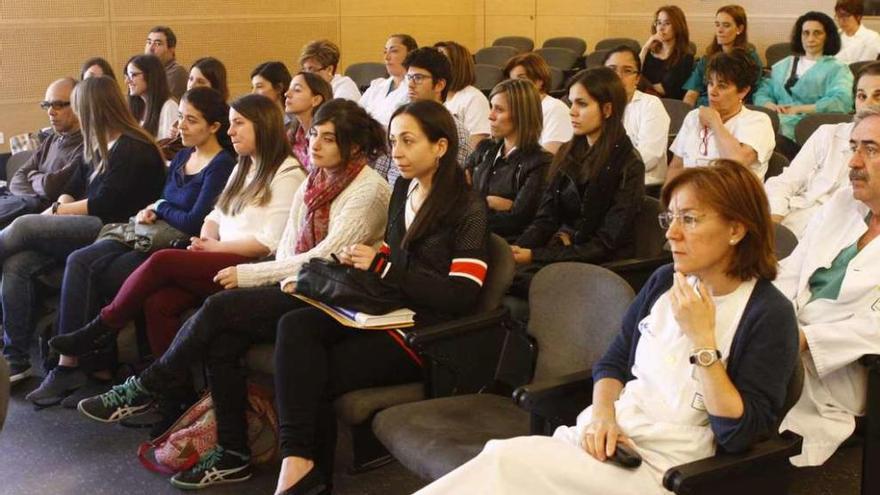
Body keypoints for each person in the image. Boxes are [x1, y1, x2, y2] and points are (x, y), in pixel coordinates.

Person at [416, 160, 799, 495]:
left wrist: (703, 342)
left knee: (506, 469)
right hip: (611, 439)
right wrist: (602, 415)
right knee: (501, 460)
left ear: (736, 230)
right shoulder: (666, 279)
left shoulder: (767, 313)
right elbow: (613, 362)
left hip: (669, 472)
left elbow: (740, 435)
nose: (671, 233)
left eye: (690, 219)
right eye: (670, 218)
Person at [76, 99, 393, 490]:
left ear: (355, 147)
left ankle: (152, 383)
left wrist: (248, 274)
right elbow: (291, 249)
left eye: (329, 138)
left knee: (217, 307)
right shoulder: (316, 180)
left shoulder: (369, 190)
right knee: (222, 338)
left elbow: (320, 259)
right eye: (314, 134)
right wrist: (256, 273)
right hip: (299, 283)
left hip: (336, 296)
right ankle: (232, 452)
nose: (315, 144)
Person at [271, 99, 490, 495]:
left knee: (313, 371)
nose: (397, 152)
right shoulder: (403, 187)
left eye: (408, 141)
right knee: (296, 324)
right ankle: (300, 464)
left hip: (426, 333)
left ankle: (304, 474)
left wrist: (386, 267)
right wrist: (371, 262)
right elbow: (397, 254)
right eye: (393, 141)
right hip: (388, 309)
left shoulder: (467, 207)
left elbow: (462, 294)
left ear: (440, 147)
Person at [54, 94, 303, 411]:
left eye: (239, 124)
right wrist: (207, 237)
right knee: (159, 302)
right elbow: (216, 214)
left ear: (264, 127)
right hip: (219, 253)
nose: (231, 131)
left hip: (252, 266)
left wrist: (215, 247)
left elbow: (269, 242)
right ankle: (176, 399)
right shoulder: (246, 165)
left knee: (162, 261)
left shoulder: (287, 173)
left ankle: (103, 327)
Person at [27, 87, 236, 404]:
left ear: (214, 127)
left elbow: (194, 220)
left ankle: (102, 363)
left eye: (191, 120)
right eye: (180, 118)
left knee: (110, 274)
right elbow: (165, 202)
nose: (180, 126)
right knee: (81, 260)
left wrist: (161, 207)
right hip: (146, 232)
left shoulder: (221, 164)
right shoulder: (182, 156)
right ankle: (69, 366)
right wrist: (154, 208)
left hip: (175, 244)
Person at [2, 76, 166, 384]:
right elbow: (71, 186)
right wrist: (61, 206)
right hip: (86, 222)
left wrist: (58, 211)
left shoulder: (134, 148)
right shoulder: (99, 143)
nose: (75, 116)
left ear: (94, 109)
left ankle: (63, 364)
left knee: (24, 225)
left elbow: (105, 204)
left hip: (115, 229)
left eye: (77, 108)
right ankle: (15, 359)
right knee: (17, 264)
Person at [777, 107, 880, 467]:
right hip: (782, 339)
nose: (852, 161)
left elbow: (873, 328)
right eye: (853, 146)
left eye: (871, 149)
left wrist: (803, 338)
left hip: (837, 374)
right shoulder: (842, 203)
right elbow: (791, 270)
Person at [509, 68, 645, 295]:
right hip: (563, 252)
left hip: (600, 266)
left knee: (521, 284)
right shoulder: (568, 151)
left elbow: (604, 244)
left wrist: (534, 255)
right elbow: (546, 217)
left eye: (581, 104)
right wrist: (518, 249)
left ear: (607, 109)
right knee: (500, 272)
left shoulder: (628, 164)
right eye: (571, 103)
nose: (571, 112)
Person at [765, 62, 880, 239]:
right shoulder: (828, 134)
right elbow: (785, 182)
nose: (867, 104)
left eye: (878, 96)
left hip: (842, 238)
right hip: (794, 222)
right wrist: (774, 224)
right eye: (861, 96)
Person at [668, 49, 775, 182]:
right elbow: (676, 167)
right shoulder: (693, 116)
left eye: (722, 86)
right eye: (710, 84)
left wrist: (715, 122)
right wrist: (669, 201)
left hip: (733, 200)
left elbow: (736, 164)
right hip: (691, 197)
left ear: (743, 91)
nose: (712, 91)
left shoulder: (758, 121)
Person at [466, 78, 552, 241]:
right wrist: (488, 202)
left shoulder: (541, 162)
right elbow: (457, 192)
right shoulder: (484, 148)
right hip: (470, 235)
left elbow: (517, 220)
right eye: (491, 107)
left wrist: (471, 208)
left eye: (499, 109)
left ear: (521, 114)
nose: (490, 116)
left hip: (504, 245)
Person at [374, 46, 471, 184]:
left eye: (418, 78)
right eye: (409, 78)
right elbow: (380, 172)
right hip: (391, 198)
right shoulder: (399, 120)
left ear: (439, 85)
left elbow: (448, 183)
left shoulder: (455, 130)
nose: (411, 85)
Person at [754, 12, 853, 143]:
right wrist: (769, 105)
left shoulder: (838, 69)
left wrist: (798, 109)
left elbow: (841, 101)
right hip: (774, 121)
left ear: (827, 37)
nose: (810, 39)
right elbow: (763, 90)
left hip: (810, 127)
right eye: (806, 33)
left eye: (817, 33)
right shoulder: (784, 64)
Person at [0, 79, 83, 229]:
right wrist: (35, 195)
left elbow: (51, 187)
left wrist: (31, 176)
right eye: (47, 105)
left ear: (78, 104)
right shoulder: (51, 139)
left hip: (38, 215)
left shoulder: (86, 145)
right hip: (21, 204)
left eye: (57, 105)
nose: (50, 112)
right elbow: (18, 177)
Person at [604, 46, 672, 186]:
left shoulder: (650, 105)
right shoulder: (597, 106)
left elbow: (648, 156)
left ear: (637, 79)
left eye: (627, 71)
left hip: (643, 186)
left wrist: (607, 170)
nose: (618, 77)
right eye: (612, 70)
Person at [682, 5, 763, 108]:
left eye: (726, 25)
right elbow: (691, 93)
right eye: (717, 24)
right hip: (702, 109)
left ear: (740, 29)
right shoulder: (707, 58)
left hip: (732, 110)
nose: (719, 30)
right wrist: (686, 115)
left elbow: (753, 95)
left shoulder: (749, 59)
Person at [160, 57, 230, 160]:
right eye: (190, 79)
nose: (192, 86)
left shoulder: (224, 117)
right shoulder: (185, 108)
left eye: (201, 81)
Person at [504, 52, 574, 154]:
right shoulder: (517, 110)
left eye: (521, 79)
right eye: (511, 81)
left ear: (539, 81)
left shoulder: (555, 109)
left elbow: (549, 156)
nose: (514, 86)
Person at [435, 41, 491, 150]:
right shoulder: (434, 97)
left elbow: (474, 148)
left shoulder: (474, 98)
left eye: (441, 59)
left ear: (457, 65)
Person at [359, 34, 416, 128]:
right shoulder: (377, 85)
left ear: (410, 54)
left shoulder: (414, 89)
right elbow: (356, 114)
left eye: (394, 51)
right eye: (385, 52)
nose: (387, 57)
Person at [640, 5, 695, 100]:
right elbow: (634, 72)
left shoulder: (685, 58)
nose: (661, 28)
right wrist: (645, 48)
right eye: (658, 23)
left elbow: (664, 89)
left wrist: (641, 82)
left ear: (677, 26)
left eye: (667, 23)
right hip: (644, 101)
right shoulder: (649, 52)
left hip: (668, 105)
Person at [285, 71, 333, 172]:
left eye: (297, 90)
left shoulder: (329, 137)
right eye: (289, 89)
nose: (287, 94)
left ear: (315, 100)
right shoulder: (291, 134)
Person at [125, 54, 178, 139]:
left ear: (151, 76)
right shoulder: (136, 107)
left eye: (133, 75)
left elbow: (171, 147)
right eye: (127, 76)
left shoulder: (169, 107)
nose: (127, 81)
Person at [145, 25, 187, 100]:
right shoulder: (148, 72)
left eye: (158, 44)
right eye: (149, 42)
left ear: (171, 49)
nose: (150, 48)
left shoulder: (177, 72)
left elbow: (159, 105)